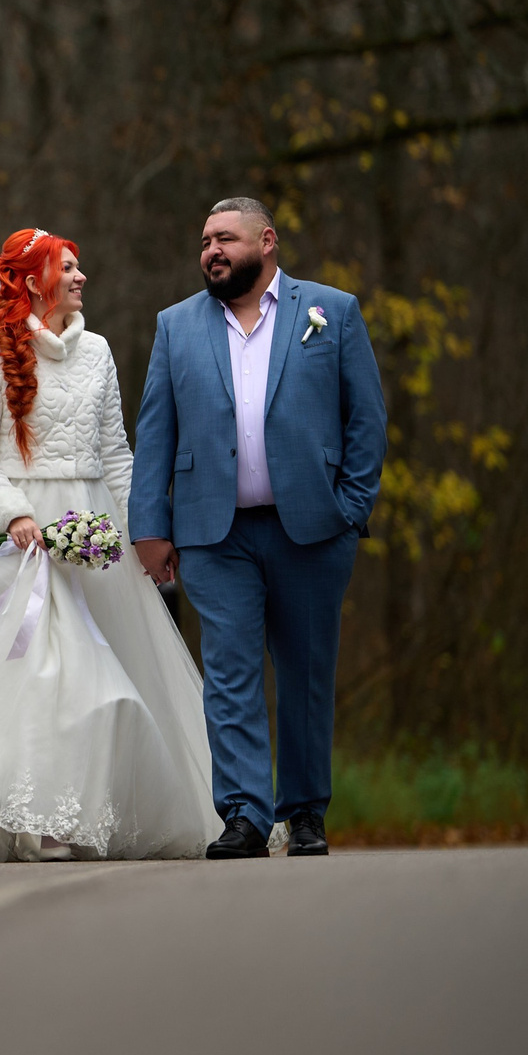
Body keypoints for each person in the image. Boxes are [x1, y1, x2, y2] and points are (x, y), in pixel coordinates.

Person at [0, 229, 218, 863]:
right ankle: (40, 823)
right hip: (17, 538)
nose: (81, 277)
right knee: (45, 679)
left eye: (80, 266)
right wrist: (16, 514)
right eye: (67, 267)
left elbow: (114, 453)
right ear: (31, 282)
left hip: (89, 528)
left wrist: (144, 528)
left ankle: (86, 812)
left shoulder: (99, 352)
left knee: (103, 681)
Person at [128, 198, 386, 859]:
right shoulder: (177, 325)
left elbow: (366, 420)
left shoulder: (331, 313)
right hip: (214, 534)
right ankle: (244, 813)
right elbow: (155, 431)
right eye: (205, 239)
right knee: (230, 670)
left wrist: (350, 508)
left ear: (266, 241)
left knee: (304, 673)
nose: (212, 249)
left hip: (311, 529)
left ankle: (304, 813)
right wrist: (150, 525)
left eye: (226, 237)